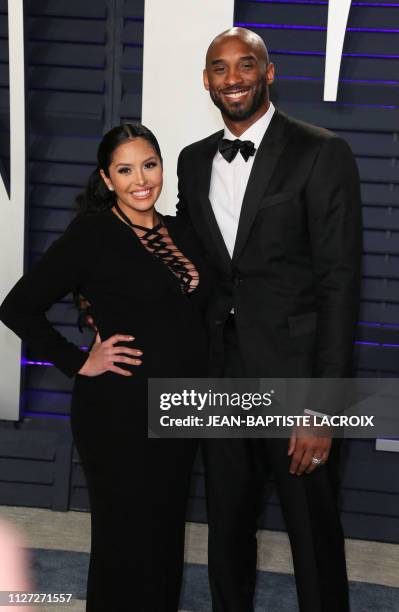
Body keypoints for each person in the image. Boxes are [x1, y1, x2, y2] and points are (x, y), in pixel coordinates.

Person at [176, 27, 362, 611]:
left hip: (295, 376)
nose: (233, 78)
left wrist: (322, 405)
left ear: (268, 72)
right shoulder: (191, 160)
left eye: (245, 65)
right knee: (226, 529)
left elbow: (339, 285)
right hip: (219, 374)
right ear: (206, 79)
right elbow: (189, 264)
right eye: (220, 68)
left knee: (312, 535)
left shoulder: (319, 151)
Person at [0, 124, 212, 612]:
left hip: (179, 409)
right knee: (124, 544)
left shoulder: (182, 230)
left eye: (150, 165)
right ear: (107, 178)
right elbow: (17, 307)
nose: (141, 179)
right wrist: (80, 360)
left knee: (164, 538)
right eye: (125, 169)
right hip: (118, 412)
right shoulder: (93, 233)